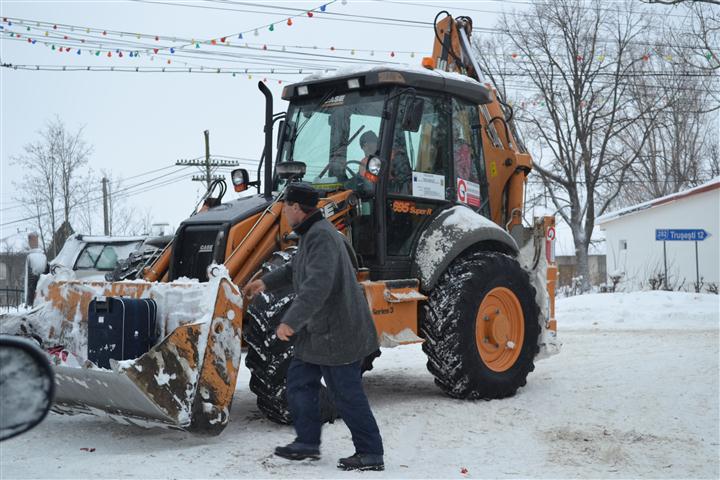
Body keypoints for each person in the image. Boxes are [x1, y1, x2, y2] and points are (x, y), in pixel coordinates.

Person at [243, 182, 385, 472]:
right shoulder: (311, 235)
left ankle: (371, 452)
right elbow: (296, 269)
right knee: (298, 382)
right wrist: (265, 282)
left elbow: (316, 287)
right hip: (319, 334)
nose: (283, 212)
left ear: (296, 208)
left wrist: (290, 322)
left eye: (285, 207)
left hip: (338, 332)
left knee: (346, 394)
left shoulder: (321, 237)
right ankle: (307, 442)